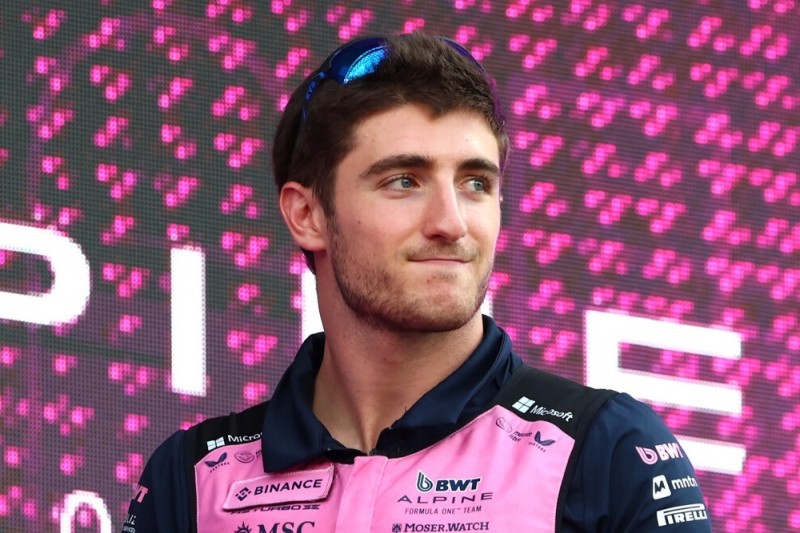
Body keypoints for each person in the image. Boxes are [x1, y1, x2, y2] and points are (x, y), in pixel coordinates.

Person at [123, 33, 712, 532]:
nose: (451, 223)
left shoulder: (608, 451)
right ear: (308, 215)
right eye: (404, 181)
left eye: (476, 183)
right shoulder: (192, 480)